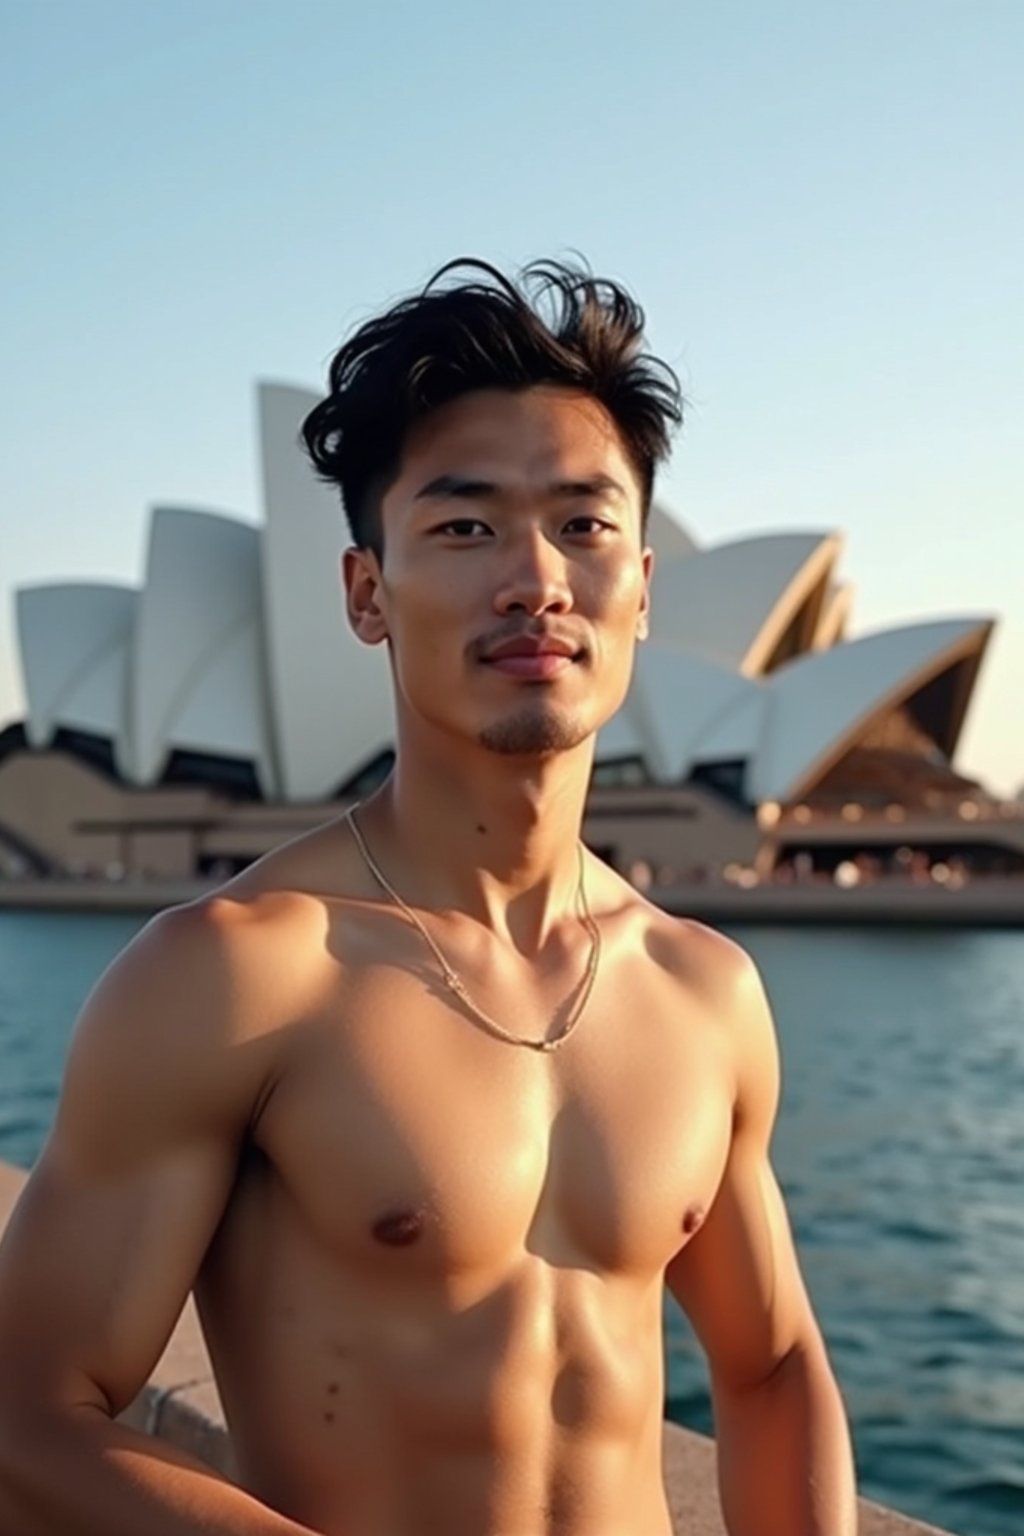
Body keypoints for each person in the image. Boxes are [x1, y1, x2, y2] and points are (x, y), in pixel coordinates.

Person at [0, 259, 857, 1535]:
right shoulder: (242, 973)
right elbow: (23, 1419)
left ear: (641, 588)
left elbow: (773, 1364)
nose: (535, 578)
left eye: (583, 523)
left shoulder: (702, 988)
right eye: (464, 526)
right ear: (364, 593)